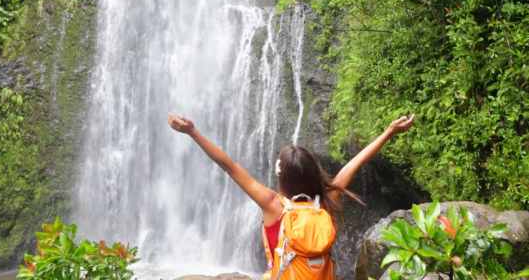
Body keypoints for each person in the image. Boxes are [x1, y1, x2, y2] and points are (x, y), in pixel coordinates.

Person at [167, 112, 415, 279]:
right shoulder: (326, 201)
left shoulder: (272, 204)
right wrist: (388, 132)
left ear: (281, 175)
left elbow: (229, 166)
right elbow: (354, 164)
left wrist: (192, 132)